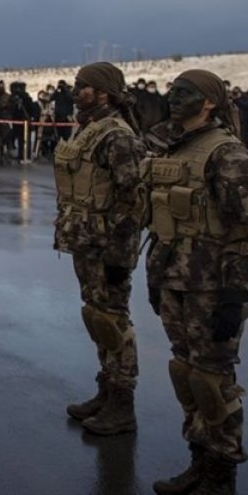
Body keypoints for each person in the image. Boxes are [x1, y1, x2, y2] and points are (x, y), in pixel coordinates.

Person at [144, 70, 248, 495]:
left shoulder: (227, 155)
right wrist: (155, 276)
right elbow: (160, 220)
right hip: (175, 281)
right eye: (173, 90)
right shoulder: (173, 147)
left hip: (212, 288)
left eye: (185, 93)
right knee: (187, 373)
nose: (173, 97)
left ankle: (221, 474)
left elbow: (247, 232)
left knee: (214, 380)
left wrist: (235, 295)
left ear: (209, 102)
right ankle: (199, 461)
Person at [53, 62, 147, 436]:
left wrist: (121, 258)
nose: (76, 92)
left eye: (83, 87)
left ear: (103, 93)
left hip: (107, 247)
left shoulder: (117, 136)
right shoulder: (90, 129)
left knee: (113, 322)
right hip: (85, 240)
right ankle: (106, 391)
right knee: (97, 318)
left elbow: (132, 201)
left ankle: (122, 404)